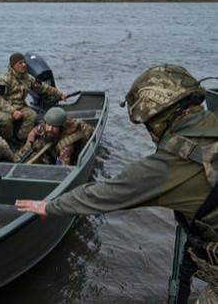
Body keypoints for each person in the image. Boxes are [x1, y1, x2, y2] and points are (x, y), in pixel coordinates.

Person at [15, 65, 218, 303]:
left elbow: (102, 195)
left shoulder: (169, 164)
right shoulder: (212, 122)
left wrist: (48, 206)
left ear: (159, 117)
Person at [0, 52, 69, 142]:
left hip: (20, 106)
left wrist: (60, 94)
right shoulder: (3, 79)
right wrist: (12, 111)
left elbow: (43, 87)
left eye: (24, 62)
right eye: (20, 63)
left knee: (32, 115)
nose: (24, 65)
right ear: (13, 66)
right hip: (4, 109)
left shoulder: (28, 78)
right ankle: (8, 140)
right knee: (6, 120)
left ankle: (22, 138)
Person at [17, 107, 94, 165]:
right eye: (49, 125)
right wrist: (29, 143)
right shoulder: (45, 126)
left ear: (61, 127)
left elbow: (63, 167)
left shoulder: (66, 145)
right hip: (54, 143)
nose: (50, 129)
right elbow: (33, 132)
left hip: (66, 149)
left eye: (54, 126)